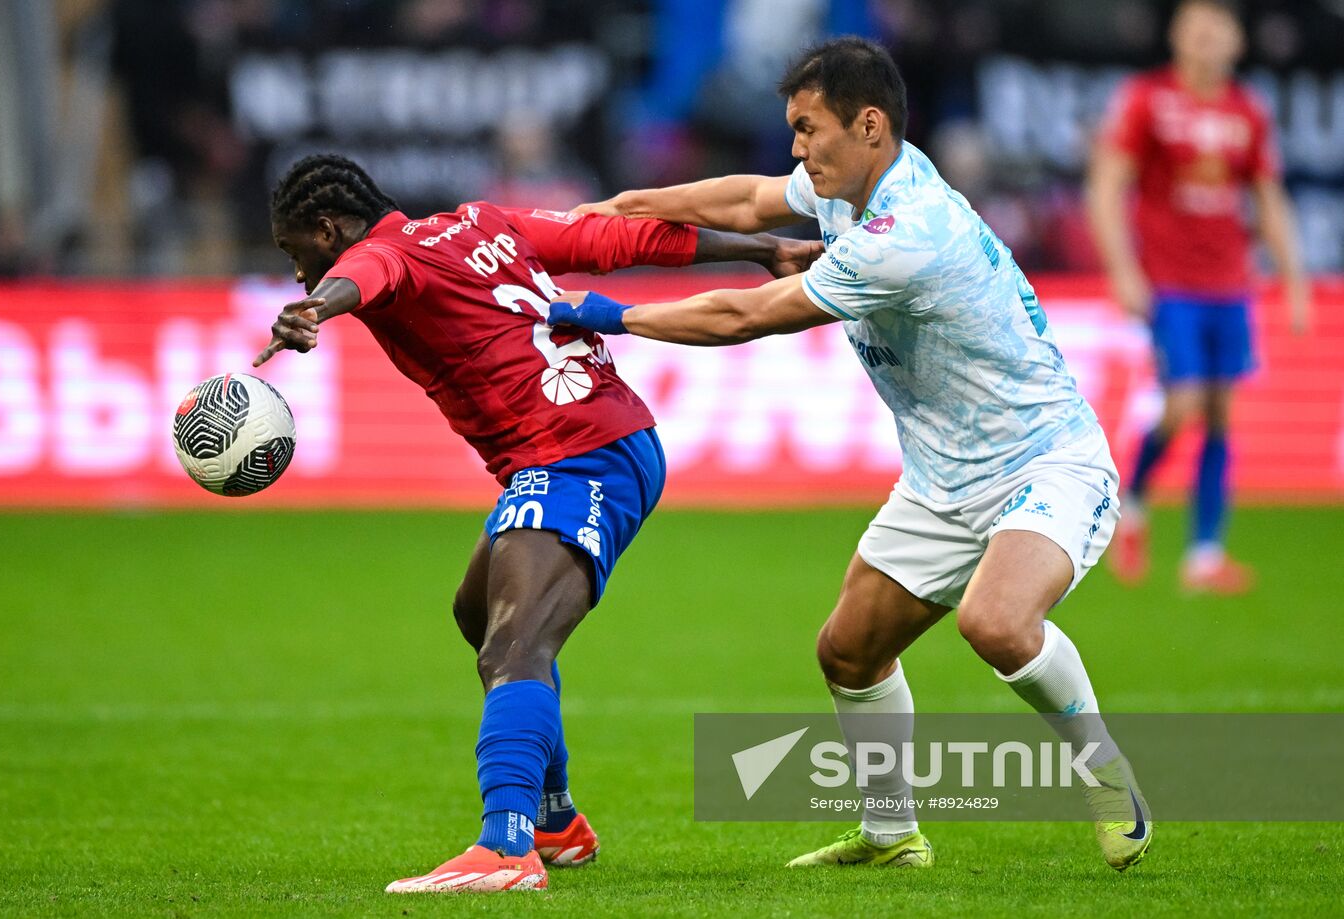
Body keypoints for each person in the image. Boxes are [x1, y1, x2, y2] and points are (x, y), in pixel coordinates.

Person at [553, 37, 1151, 872]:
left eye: (808, 128)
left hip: (1045, 461)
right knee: (848, 650)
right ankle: (891, 832)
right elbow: (754, 199)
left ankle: (1110, 775)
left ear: (868, 125)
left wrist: (606, 314)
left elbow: (747, 315)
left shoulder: (907, 233)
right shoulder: (854, 183)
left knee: (997, 621)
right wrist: (626, 206)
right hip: (944, 478)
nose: (797, 149)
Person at [254, 154, 821, 894]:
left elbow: (364, 278)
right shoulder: (480, 222)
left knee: (516, 643)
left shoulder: (380, 257)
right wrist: (760, 248)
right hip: (590, 441)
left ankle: (505, 846)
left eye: (296, 253)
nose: (298, 273)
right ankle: (554, 821)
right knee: (477, 612)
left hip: (578, 452)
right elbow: (618, 240)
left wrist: (316, 310)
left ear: (328, 228)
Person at [1086, 0, 1311, 593]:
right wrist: (1123, 270)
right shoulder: (1147, 98)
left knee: (1221, 415)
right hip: (1171, 283)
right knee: (1183, 403)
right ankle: (1129, 503)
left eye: (1219, 28)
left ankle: (1204, 555)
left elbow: (1268, 197)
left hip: (1229, 283)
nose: (1208, 38)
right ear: (1178, 36)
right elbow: (1108, 185)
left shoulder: (1247, 111)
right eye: (1197, 26)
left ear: (1237, 40)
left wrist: (1292, 281)